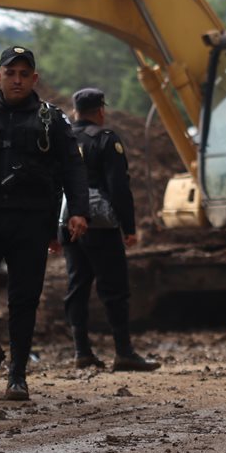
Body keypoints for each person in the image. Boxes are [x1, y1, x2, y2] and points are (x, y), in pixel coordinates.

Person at [0, 46, 90, 401]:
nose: (18, 80)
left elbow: (73, 167)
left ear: (34, 79)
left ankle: (17, 376)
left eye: (25, 74)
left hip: (31, 222)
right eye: (11, 73)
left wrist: (78, 210)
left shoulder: (51, 119)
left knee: (23, 300)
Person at [60, 87, 160, 373]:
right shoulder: (105, 139)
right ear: (101, 110)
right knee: (114, 288)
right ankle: (124, 352)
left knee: (77, 286)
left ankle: (82, 351)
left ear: (76, 110)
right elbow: (118, 187)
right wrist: (129, 227)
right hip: (99, 224)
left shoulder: (63, 140)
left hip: (66, 220)